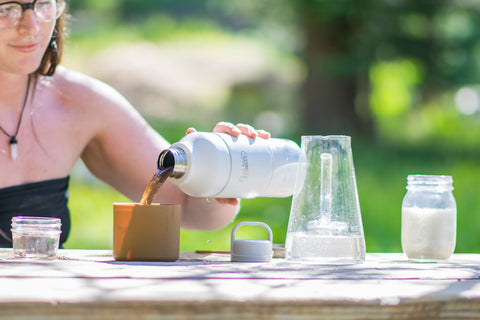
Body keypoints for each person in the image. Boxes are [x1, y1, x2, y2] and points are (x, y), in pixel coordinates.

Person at [0, 0, 270, 247]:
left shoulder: (79, 101)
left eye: (43, 4)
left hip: (43, 300)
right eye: (6, 9)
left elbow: (186, 209)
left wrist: (219, 171)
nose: (31, 26)